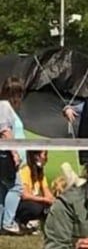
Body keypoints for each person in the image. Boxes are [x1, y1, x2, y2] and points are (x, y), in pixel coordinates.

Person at [0, 77, 26, 234]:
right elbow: (5, 131)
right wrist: (14, 153)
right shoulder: (4, 106)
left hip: (4, 154)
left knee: (3, 189)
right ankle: (8, 223)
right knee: (16, 187)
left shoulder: (5, 107)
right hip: (5, 155)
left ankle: (2, 221)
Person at [16, 150, 54, 231]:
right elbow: (24, 195)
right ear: (36, 156)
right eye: (45, 155)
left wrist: (53, 201)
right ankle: (20, 221)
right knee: (36, 208)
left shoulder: (40, 172)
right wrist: (44, 199)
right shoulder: (25, 170)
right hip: (22, 203)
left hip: (33, 202)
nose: (47, 158)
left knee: (51, 207)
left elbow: (46, 191)